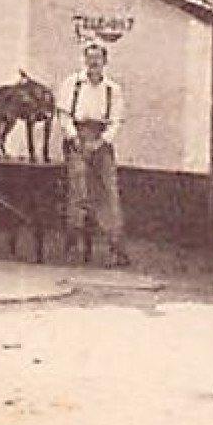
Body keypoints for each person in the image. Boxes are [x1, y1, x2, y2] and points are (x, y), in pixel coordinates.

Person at [55, 42, 131, 266]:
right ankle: (72, 243)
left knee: (109, 192)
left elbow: (116, 121)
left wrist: (101, 141)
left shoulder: (112, 89)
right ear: (84, 60)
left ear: (105, 62)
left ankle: (117, 248)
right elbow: (64, 115)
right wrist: (74, 138)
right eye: (90, 58)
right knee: (78, 188)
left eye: (98, 59)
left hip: (101, 140)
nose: (93, 63)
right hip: (76, 139)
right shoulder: (73, 84)